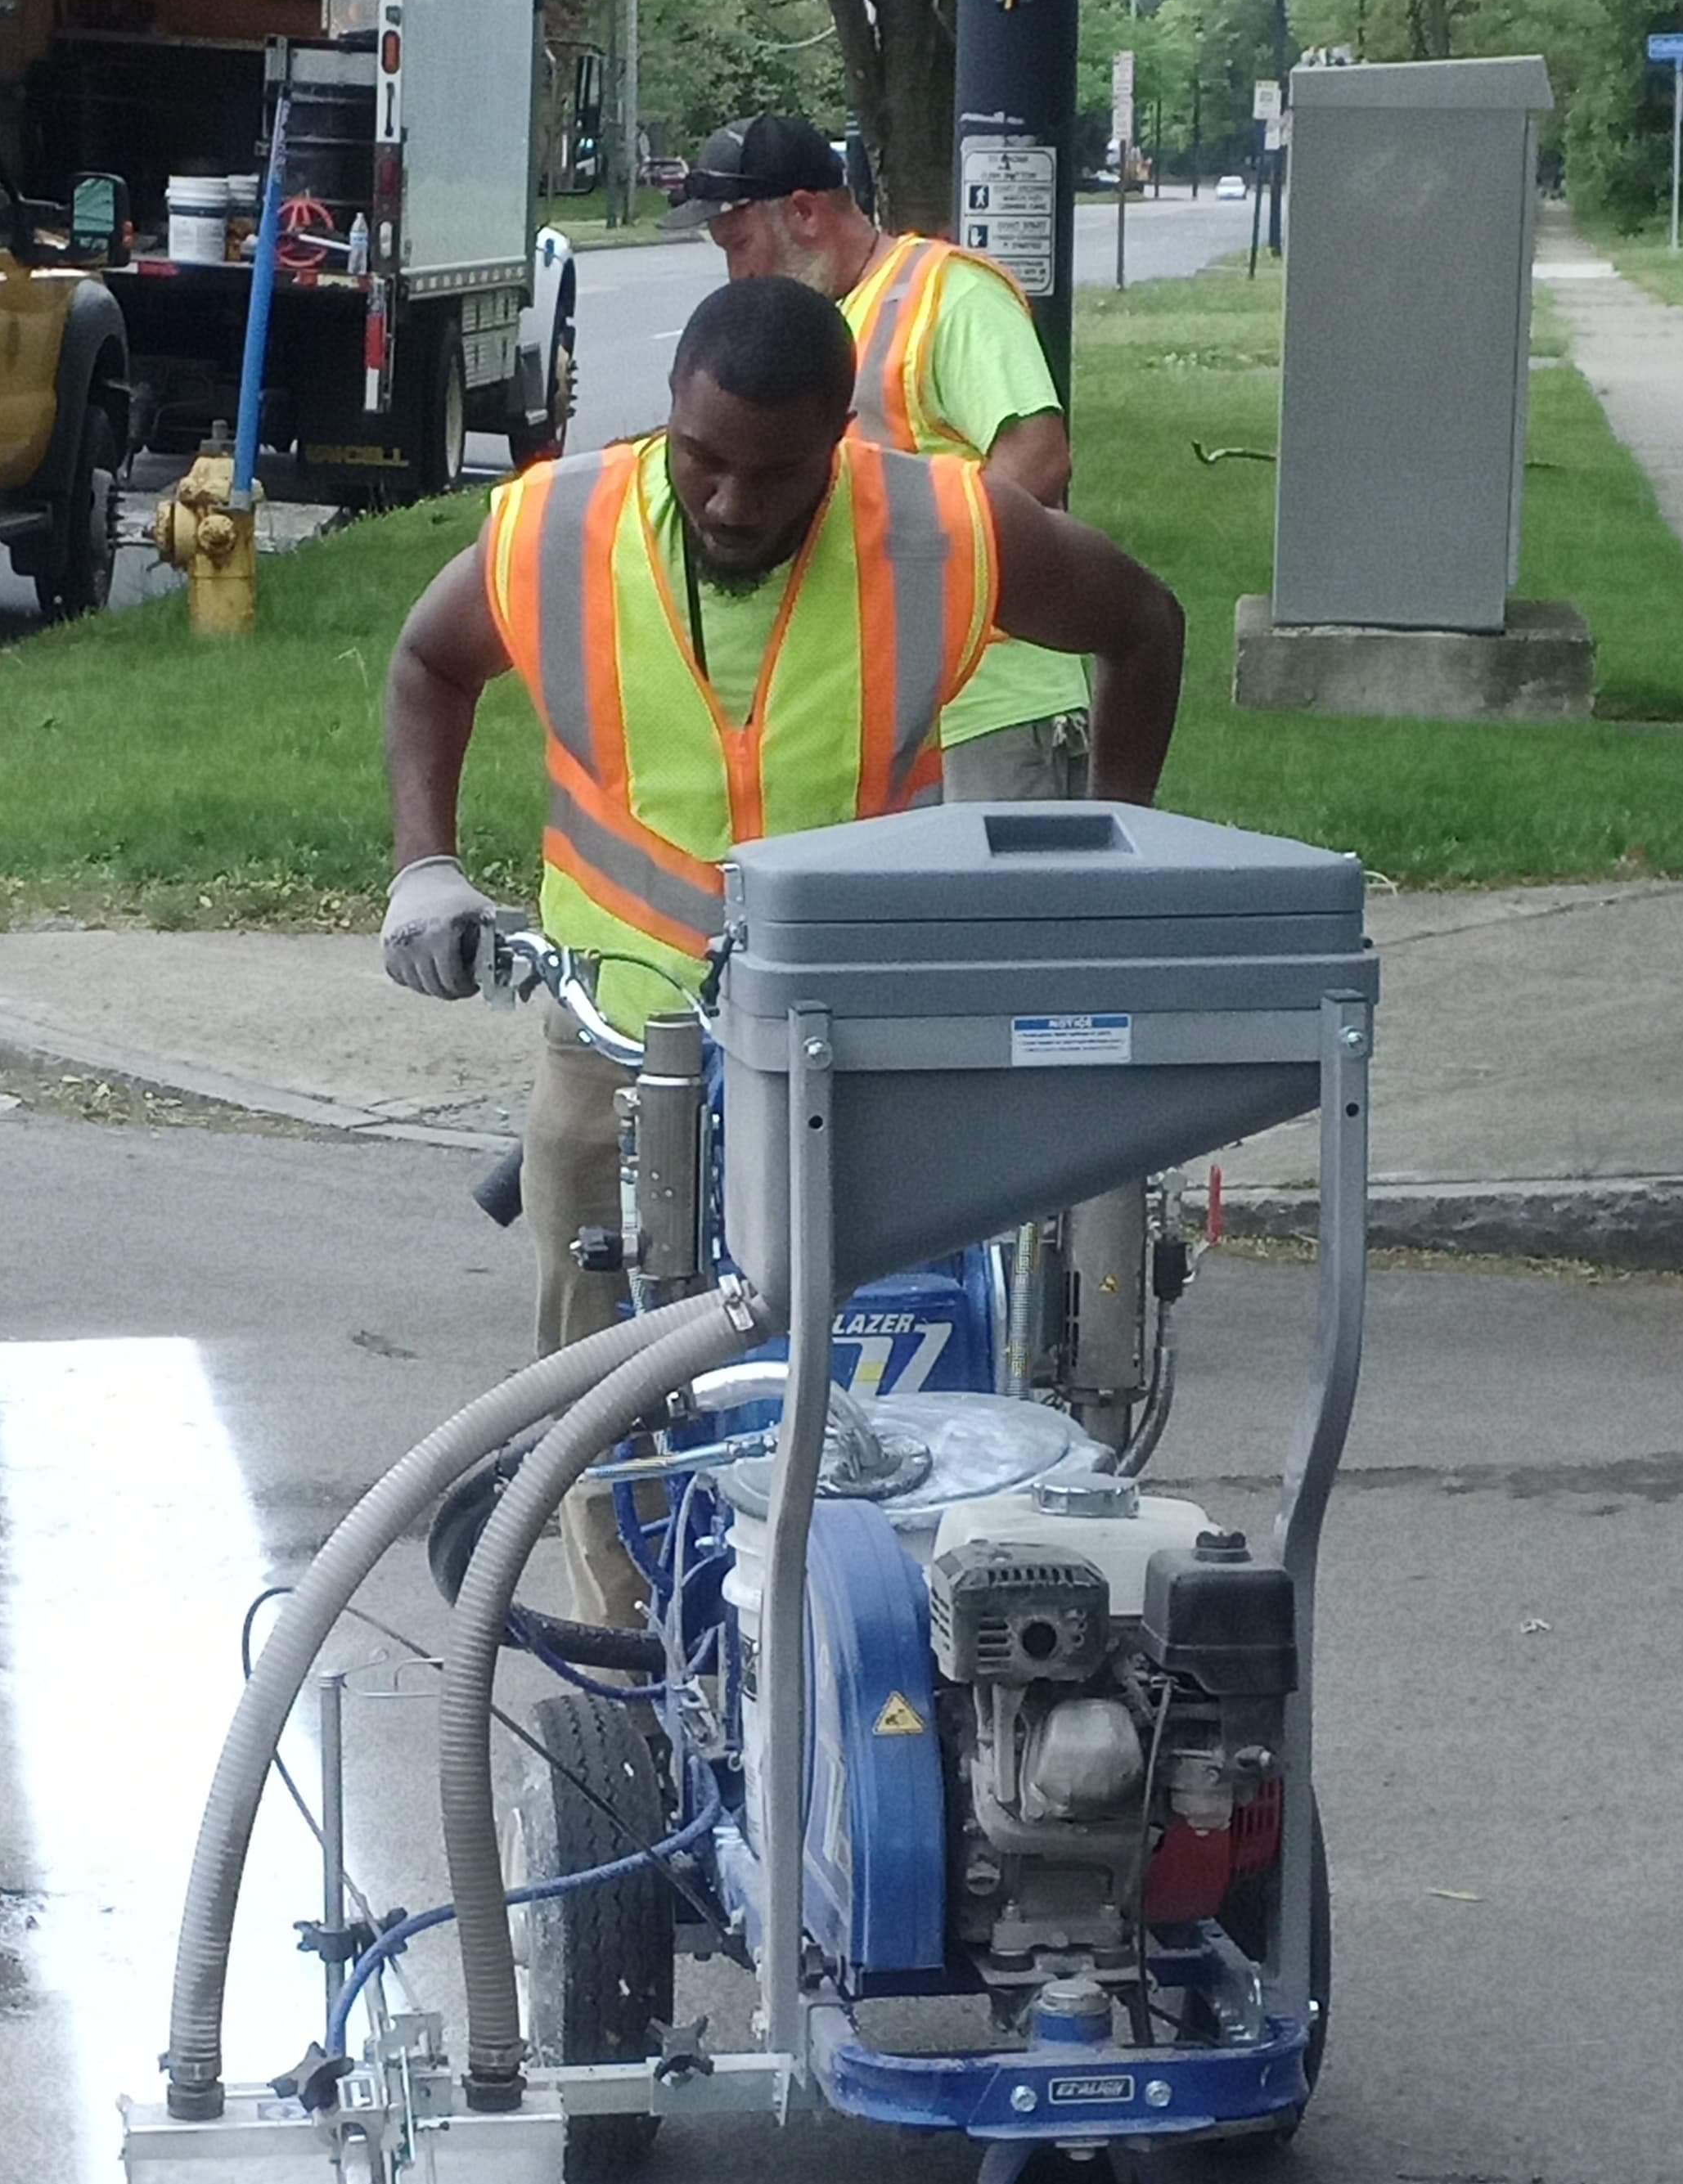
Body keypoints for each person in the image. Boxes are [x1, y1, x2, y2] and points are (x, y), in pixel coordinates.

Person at [381, 273, 1182, 1616]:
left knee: (892, 1362)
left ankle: (890, 1625)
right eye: (701, 461)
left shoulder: (940, 528)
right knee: (603, 1378)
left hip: (854, 1034)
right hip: (621, 1031)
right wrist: (424, 869)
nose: (734, 502)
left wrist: (1108, 853)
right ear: (665, 421)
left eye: (775, 470)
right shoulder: (557, 531)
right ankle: (634, 1647)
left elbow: (1138, 624)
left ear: (841, 438)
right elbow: (426, 661)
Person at [671, 110, 1090, 804]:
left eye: (739, 244)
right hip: (894, 714)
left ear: (804, 213)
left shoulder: (951, 296)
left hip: (990, 711)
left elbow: (1039, 458)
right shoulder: (833, 323)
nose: (736, 275)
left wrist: (925, 592)